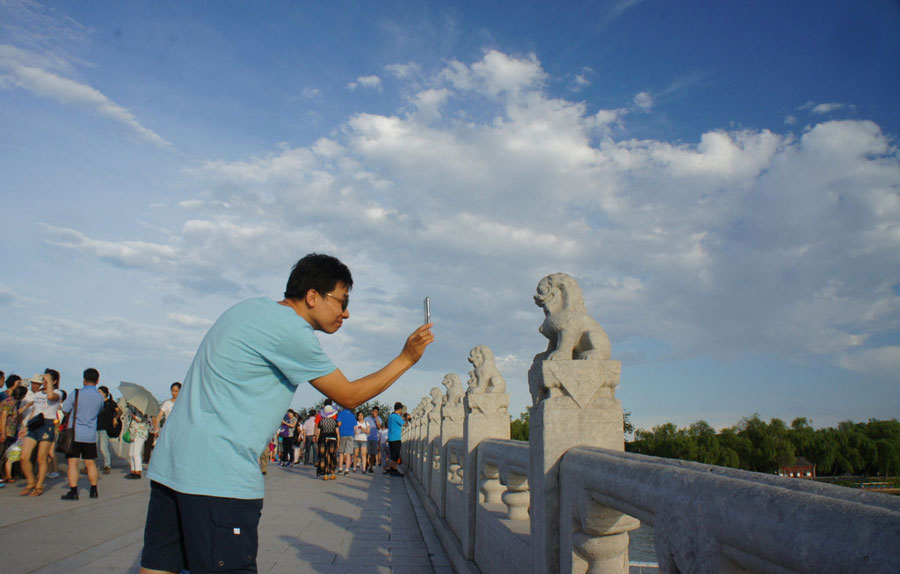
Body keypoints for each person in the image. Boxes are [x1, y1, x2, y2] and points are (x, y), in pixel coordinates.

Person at [139, 253, 433, 574]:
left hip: (171, 468)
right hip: (218, 479)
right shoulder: (290, 331)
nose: (346, 313)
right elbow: (350, 396)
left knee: (158, 568)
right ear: (312, 297)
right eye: (341, 301)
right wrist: (407, 358)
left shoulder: (247, 309)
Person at [60, 368, 106, 500]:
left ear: (84, 379)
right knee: (90, 463)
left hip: (75, 434)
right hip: (90, 435)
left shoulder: (76, 393)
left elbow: (65, 410)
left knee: (73, 463)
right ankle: (93, 490)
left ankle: (73, 492)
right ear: (97, 381)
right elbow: (99, 411)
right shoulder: (99, 397)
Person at [19, 370, 61, 496]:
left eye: (47, 380)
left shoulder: (57, 393)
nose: (44, 382)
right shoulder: (37, 394)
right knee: (24, 457)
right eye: (43, 380)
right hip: (34, 425)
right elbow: (35, 411)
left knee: (41, 458)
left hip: (47, 425)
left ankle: (39, 486)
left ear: (54, 381)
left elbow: (50, 397)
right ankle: (31, 481)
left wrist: (50, 384)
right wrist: (26, 426)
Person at [96, 386, 121, 473]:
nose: (98, 393)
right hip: (95, 427)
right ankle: (89, 465)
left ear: (105, 393)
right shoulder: (97, 403)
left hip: (105, 428)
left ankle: (107, 465)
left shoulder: (110, 403)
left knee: (103, 448)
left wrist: (115, 418)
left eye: (99, 392)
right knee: (92, 447)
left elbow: (119, 411)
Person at [125, 406, 151, 479]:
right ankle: (132, 470)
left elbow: (139, 420)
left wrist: (132, 415)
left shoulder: (144, 410)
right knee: (131, 453)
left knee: (136, 453)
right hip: (133, 433)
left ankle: (138, 471)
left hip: (140, 433)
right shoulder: (132, 409)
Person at [316, 404, 339, 479]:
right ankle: (332, 472)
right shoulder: (334, 422)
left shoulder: (321, 421)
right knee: (332, 455)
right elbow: (337, 432)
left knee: (324, 456)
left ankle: (325, 473)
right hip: (332, 438)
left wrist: (317, 441)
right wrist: (338, 442)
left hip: (323, 439)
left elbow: (318, 432)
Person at [386, 402, 407, 477]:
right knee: (395, 456)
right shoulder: (396, 416)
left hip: (391, 438)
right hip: (396, 439)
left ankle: (393, 470)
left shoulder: (391, 415)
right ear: (400, 409)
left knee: (393, 455)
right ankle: (390, 468)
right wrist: (408, 419)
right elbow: (405, 424)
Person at [336, 405, 356, 475]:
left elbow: (339, 423)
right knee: (348, 453)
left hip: (342, 434)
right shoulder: (352, 415)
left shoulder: (340, 414)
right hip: (350, 435)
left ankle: (340, 468)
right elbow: (355, 427)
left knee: (341, 452)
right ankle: (347, 469)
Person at [364, 406, 381, 473]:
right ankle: (365, 464)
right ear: (372, 411)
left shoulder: (379, 418)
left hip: (374, 438)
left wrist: (376, 418)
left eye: (376, 412)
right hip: (367, 437)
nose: (375, 413)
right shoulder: (367, 418)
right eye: (374, 411)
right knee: (366, 452)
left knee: (373, 453)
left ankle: (371, 467)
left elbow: (379, 427)